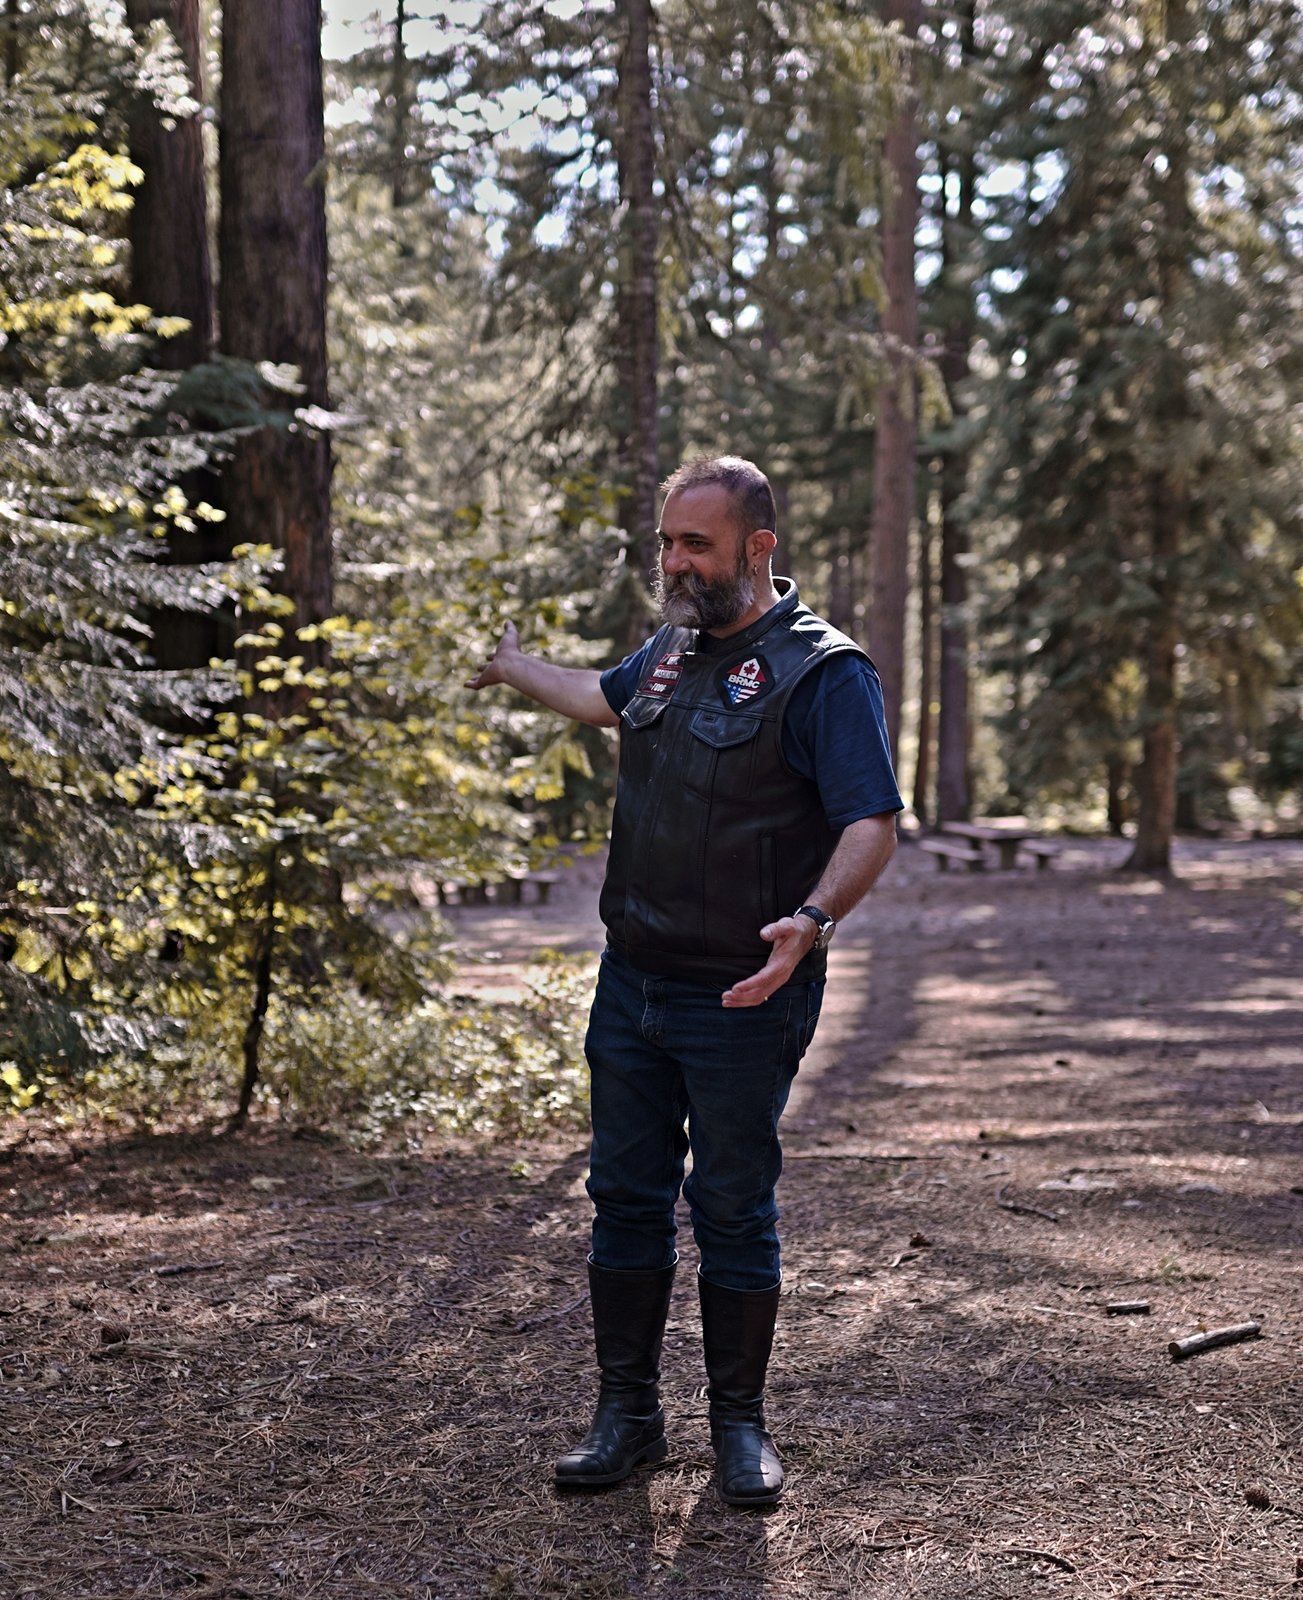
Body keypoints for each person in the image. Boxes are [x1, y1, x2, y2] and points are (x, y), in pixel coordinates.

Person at [466, 455, 901, 1507]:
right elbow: (598, 700)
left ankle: (739, 1430)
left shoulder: (822, 671)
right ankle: (628, 1419)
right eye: (666, 542)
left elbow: (870, 820)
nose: (672, 562)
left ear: (758, 547)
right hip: (634, 981)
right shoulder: (668, 653)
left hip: (743, 991)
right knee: (623, 1198)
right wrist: (513, 665)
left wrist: (810, 920)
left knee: (733, 1206)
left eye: (692, 544)